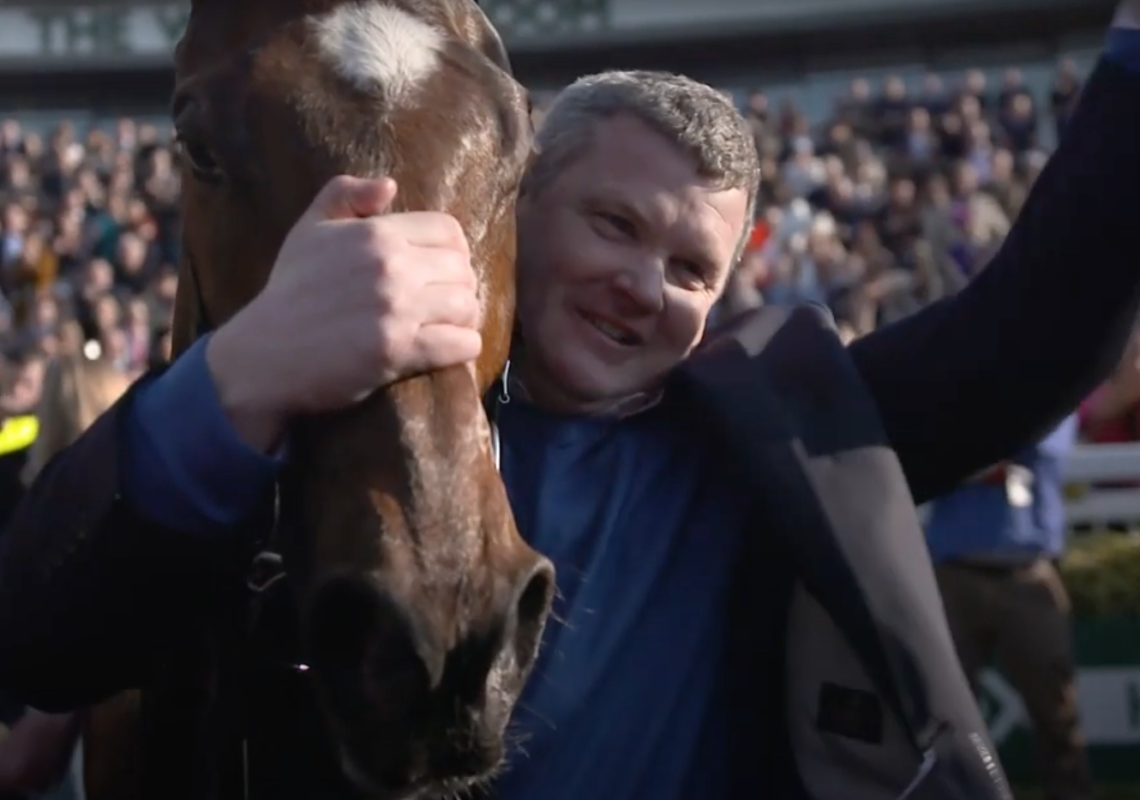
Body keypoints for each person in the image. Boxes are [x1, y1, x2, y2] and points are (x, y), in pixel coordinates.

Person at [6, 4, 1140, 797]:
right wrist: (236, 373)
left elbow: (1031, 337)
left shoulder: (768, 438)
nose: (644, 284)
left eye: (691, 269)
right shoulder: (313, 424)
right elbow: (44, 635)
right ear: (516, 210)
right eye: (613, 224)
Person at [926, 415, 1091, 800]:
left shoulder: (1052, 397)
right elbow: (933, 456)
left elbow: (1037, 445)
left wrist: (968, 458)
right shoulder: (949, 400)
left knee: (1056, 713)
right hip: (954, 573)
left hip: (1028, 576)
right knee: (944, 715)